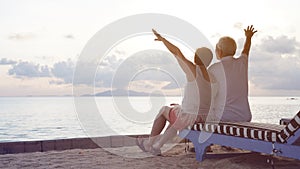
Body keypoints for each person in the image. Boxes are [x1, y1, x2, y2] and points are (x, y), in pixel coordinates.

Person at [136, 29, 213, 155]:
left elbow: (177, 52)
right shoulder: (211, 76)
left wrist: (163, 40)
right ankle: (157, 145)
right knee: (177, 114)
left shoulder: (193, 70)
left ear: (195, 58)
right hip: (205, 117)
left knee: (164, 110)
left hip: (191, 117)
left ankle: (149, 143)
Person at [209, 25, 257, 122]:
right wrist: (248, 37)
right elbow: (246, 50)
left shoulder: (213, 68)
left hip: (223, 117)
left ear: (220, 51)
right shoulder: (242, 63)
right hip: (244, 117)